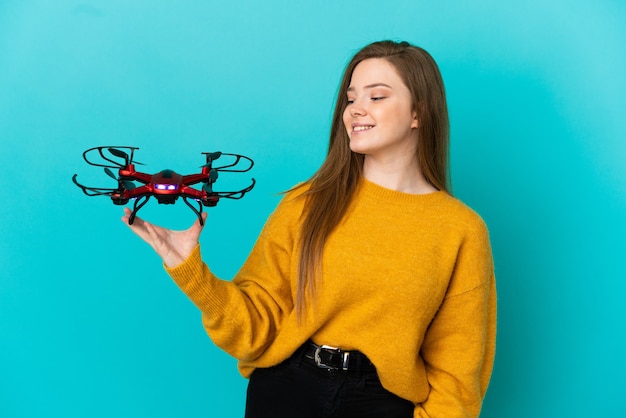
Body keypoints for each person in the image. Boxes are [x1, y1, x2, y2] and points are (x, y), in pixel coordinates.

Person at [123, 40, 496, 418]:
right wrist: (189, 269)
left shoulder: (460, 230)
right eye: (351, 99)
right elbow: (258, 326)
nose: (356, 110)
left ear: (419, 111)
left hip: (382, 403)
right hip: (286, 390)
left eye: (377, 97)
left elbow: (459, 376)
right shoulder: (307, 203)